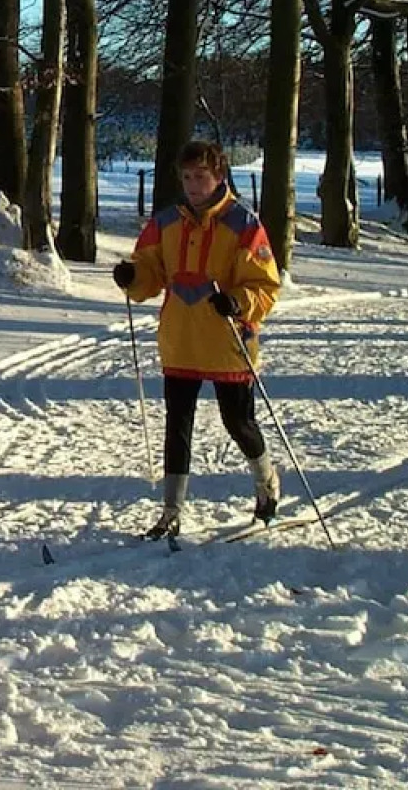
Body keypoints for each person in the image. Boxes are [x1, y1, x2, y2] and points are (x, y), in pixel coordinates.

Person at [112, 141, 282, 539]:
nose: (193, 184)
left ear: (219, 176)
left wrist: (238, 301)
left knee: (238, 422)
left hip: (227, 342)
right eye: (187, 177)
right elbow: (149, 271)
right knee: (177, 426)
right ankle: (171, 511)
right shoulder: (165, 222)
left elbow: (265, 285)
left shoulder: (243, 223)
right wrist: (132, 277)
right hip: (181, 339)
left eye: (201, 176)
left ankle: (266, 482)